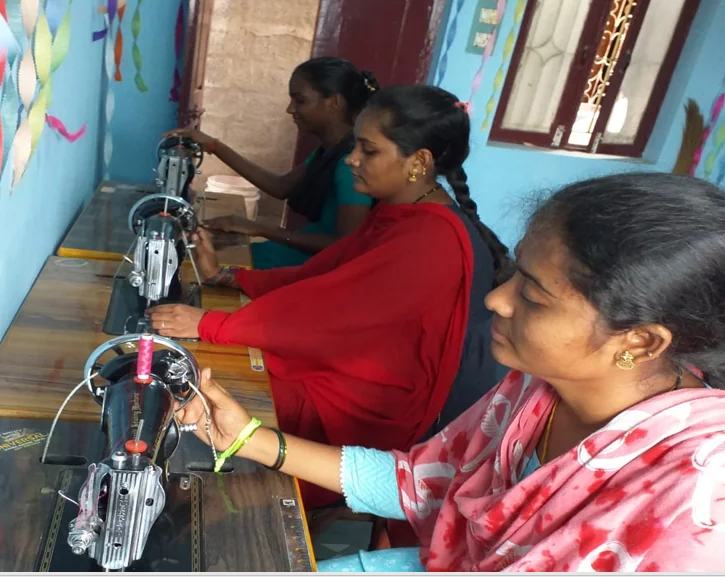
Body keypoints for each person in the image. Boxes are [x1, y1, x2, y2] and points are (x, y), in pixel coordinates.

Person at [173, 172, 725, 572]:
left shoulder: (695, 505)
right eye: (515, 276)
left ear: (640, 342)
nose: (497, 301)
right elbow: (421, 483)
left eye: (532, 295)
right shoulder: (537, 389)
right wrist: (247, 437)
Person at [151, 85, 511, 508]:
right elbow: (324, 274)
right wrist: (231, 278)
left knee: (206, 387)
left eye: (368, 150)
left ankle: (231, 510)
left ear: (419, 162)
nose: (351, 159)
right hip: (350, 368)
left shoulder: (433, 238)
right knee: (214, 374)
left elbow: (334, 314)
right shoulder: (403, 214)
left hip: (373, 402)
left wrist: (213, 324)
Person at [165, 57, 376, 269]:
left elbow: (345, 245)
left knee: (193, 263)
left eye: (300, 100)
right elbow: (281, 187)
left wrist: (260, 229)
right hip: (294, 254)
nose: (290, 109)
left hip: (307, 268)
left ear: (334, 103)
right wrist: (213, 146)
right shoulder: (328, 151)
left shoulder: (349, 165)